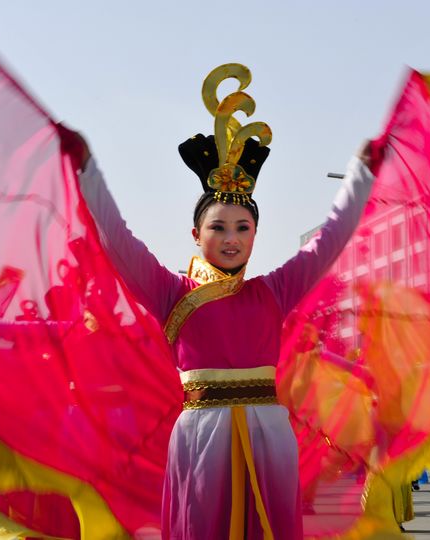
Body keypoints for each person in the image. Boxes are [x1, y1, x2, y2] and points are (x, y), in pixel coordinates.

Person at [63, 63, 380, 539]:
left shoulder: (275, 290)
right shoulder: (171, 292)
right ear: (196, 235)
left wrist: (361, 174)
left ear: (255, 234)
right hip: (201, 439)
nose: (231, 238)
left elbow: (330, 240)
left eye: (242, 228)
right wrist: (88, 172)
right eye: (218, 227)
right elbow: (117, 239)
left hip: (269, 438)